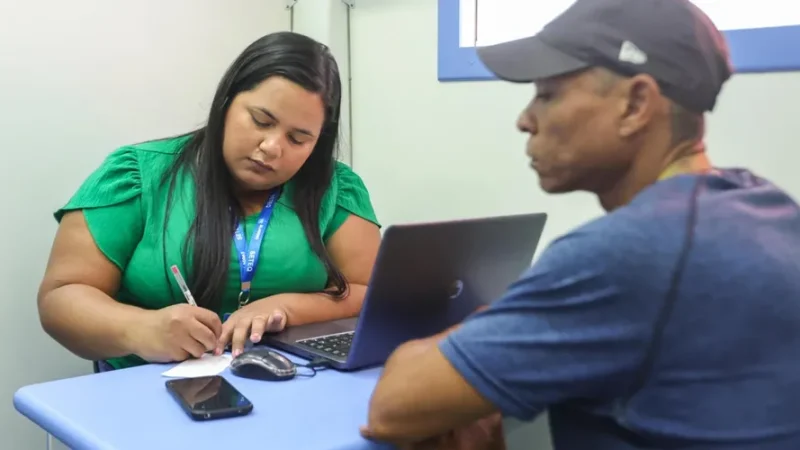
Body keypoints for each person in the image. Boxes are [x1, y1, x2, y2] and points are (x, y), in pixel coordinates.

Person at [361, 0, 800, 448]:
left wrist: (488, 328)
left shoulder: (631, 251)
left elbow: (393, 406)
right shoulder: (769, 209)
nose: (525, 120)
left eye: (548, 94)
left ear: (635, 104)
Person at [37, 31, 381, 371]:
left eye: (298, 139)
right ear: (226, 101)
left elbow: (370, 292)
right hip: (145, 390)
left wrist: (288, 307)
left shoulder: (335, 188)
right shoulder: (138, 175)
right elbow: (62, 297)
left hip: (295, 385)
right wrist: (140, 329)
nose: (272, 147)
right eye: (261, 121)